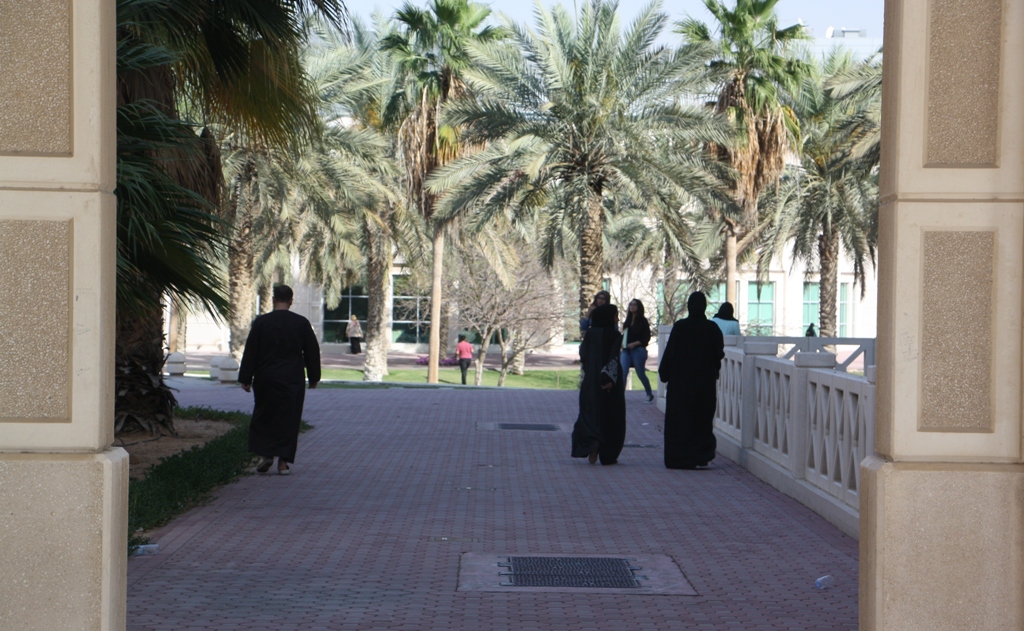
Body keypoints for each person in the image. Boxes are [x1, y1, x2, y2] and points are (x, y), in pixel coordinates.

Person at [239, 285, 321, 475]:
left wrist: (245, 378)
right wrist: (314, 377)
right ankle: (283, 462)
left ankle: (266, 454)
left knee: (264, 415)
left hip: (266, 377)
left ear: (273, 299)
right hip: (292, 378)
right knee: (289, 418)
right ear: (291, 301)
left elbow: (251, 351)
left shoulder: (261, 323)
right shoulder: (301, 323)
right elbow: (312, 351)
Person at [658, 291, 725, 470]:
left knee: (680, 421)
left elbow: (670, 353)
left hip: (680, 385)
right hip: (704, 386)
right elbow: (718, 354)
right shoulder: (712, 329)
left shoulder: (680, 327)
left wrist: (664, 373)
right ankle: (700, 455)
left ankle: (678, 458)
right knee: (701, 420)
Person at [571, 303, 626, 465]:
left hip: (590, 382)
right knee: (610, 417)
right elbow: (613, 359)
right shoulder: (614, 335)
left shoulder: (590, 334)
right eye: (615, 315)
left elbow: (583, 355)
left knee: (590, 414)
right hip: (609, 385)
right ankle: (607, 453)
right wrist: (609, 380)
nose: (617, 319)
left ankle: (592, 446)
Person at [620, 299, 655, 403]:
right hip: (626, 350)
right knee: (623, 373)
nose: (632, 306)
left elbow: (646, 338)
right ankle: (619, 397)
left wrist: (635, 344)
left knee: (640, 374)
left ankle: (649, 394)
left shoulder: (643, 321)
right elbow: (624, 336)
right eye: (631, 304)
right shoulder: (627, 321)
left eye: (634, 305)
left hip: (638, 350)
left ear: (639, 307)